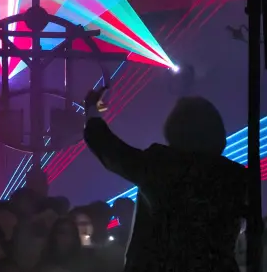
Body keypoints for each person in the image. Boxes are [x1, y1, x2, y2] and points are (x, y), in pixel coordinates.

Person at [82, 87, 249, 272]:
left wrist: (92, 112)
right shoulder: (235, 176)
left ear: (175, 128)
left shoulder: (161, 165)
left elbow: (110, 151)